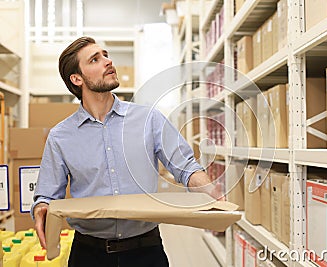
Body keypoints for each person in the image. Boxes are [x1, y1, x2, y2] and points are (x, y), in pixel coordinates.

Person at [31, 36, 224, 267]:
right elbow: (47, 196)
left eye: (105, 54)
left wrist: (210, 192)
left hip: (146, 252)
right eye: (95, 59)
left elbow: (186, 167)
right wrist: (41, 208)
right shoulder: (60, 136)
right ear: (76, 78)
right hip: (88, 255)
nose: (108, 61)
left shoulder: (149, 120)